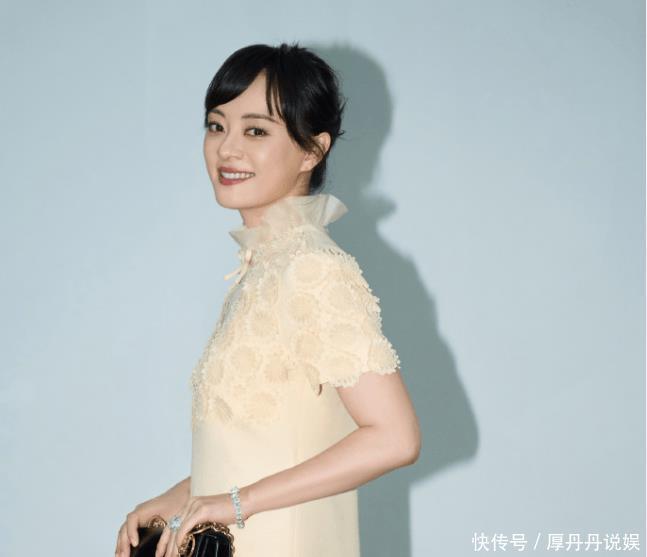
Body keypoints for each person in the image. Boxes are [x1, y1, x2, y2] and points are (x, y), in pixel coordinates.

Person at [115, 42, 421, 557]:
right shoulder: (264, 270)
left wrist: (236, 504)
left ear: (312, 150)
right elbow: (268, 445)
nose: (227, 149)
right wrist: (182, 496)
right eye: (217, 126)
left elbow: (395, 437)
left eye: (255, 131)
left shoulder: (312, 269)